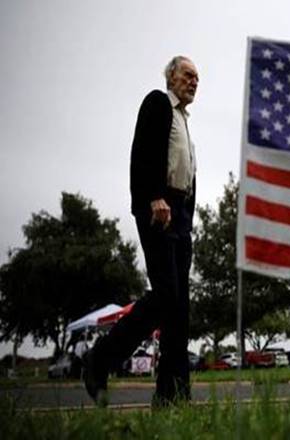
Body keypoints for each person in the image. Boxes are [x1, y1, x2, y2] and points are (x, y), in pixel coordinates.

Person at [83, 56, 199, 407]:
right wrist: (153, 198)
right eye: (188, 75)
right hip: (159, 209)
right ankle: (99, 360)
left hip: (180, 215)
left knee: (179, 307)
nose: (194, 82)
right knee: (165, 295)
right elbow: (142, 154)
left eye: (198, 78)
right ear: (171, 77)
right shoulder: (158, 102)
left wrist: (186, 218)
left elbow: (186, 171)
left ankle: (172, 396)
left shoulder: (184, 119)